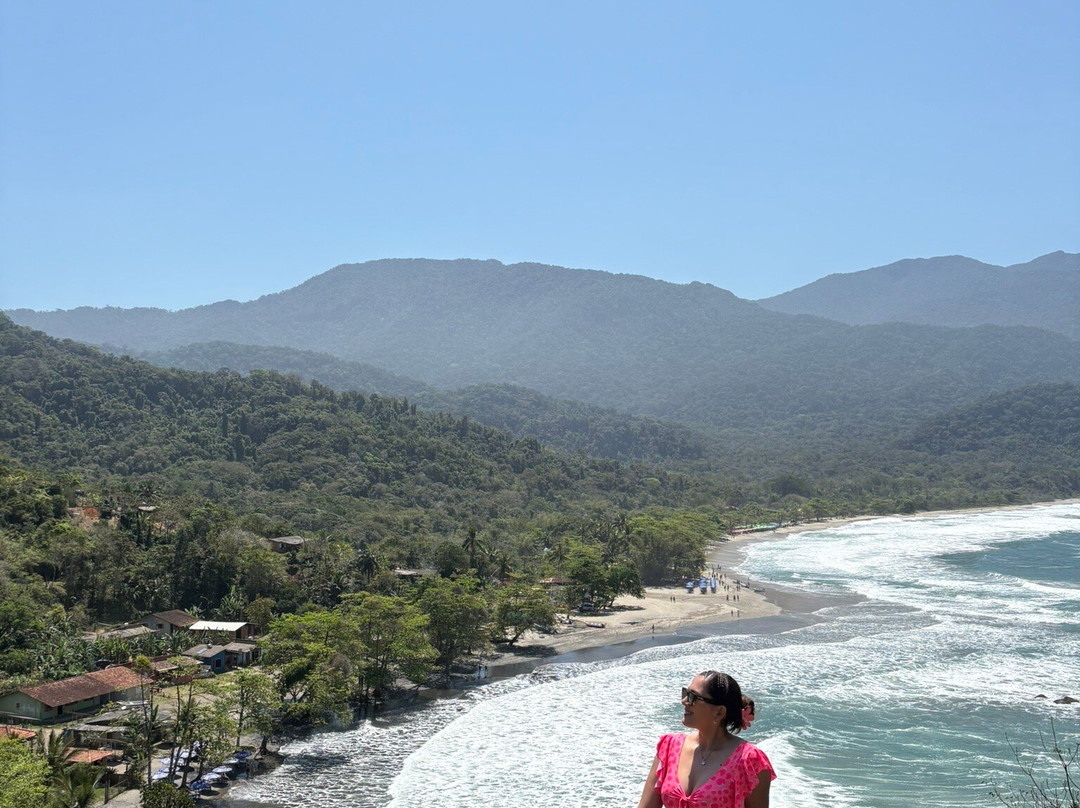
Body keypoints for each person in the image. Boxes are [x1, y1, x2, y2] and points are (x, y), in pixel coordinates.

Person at [636, 671, 774, 808]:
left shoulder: (749, 761)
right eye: (685, 693)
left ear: (719, 712)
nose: (684, 701)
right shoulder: (669, 747)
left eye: (693, 697)